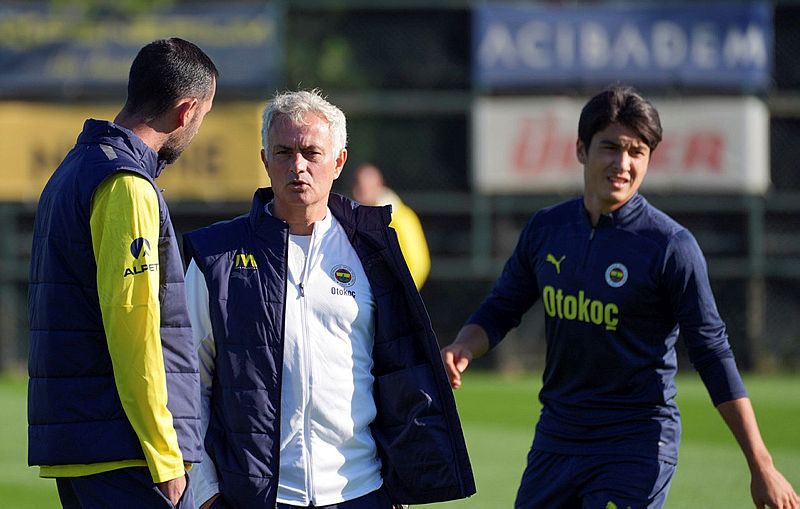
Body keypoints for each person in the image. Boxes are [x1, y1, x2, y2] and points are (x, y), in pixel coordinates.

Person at [441, 85, 799, 509]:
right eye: (610, 147)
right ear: (581, 150)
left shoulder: (670, 246)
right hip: (558, 436)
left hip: (636, 442)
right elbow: (502, 308)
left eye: (637, 152)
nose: (622, 163)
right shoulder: (546, 230)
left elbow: (712, 353)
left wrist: (762, 465)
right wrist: (465, 344)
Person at [183, 89, 475, 509]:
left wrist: (399, 482)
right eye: (283, 152)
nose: (297, 165)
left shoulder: (374, 250)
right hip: (255, 498)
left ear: (338, 162)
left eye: (311, 152)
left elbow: (395, 373)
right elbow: (187, 382)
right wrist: (206, 493)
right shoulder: (217, 257)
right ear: (264, 160)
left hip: (362, 493)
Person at [28, 38, 217, 508]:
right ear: (185, 110)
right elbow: (134, 330)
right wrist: (165, 456)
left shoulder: (75, 167)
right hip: (125, 453)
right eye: (203, 117)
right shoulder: (126, 185)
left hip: (92, 445)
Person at [351, 163, 431, 289]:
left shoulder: (402, 219)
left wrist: (398, 295)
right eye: (358, 187)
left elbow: (418, 264)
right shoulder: (355, 220)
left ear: (378, 186)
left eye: (363, 189)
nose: (357, 193)